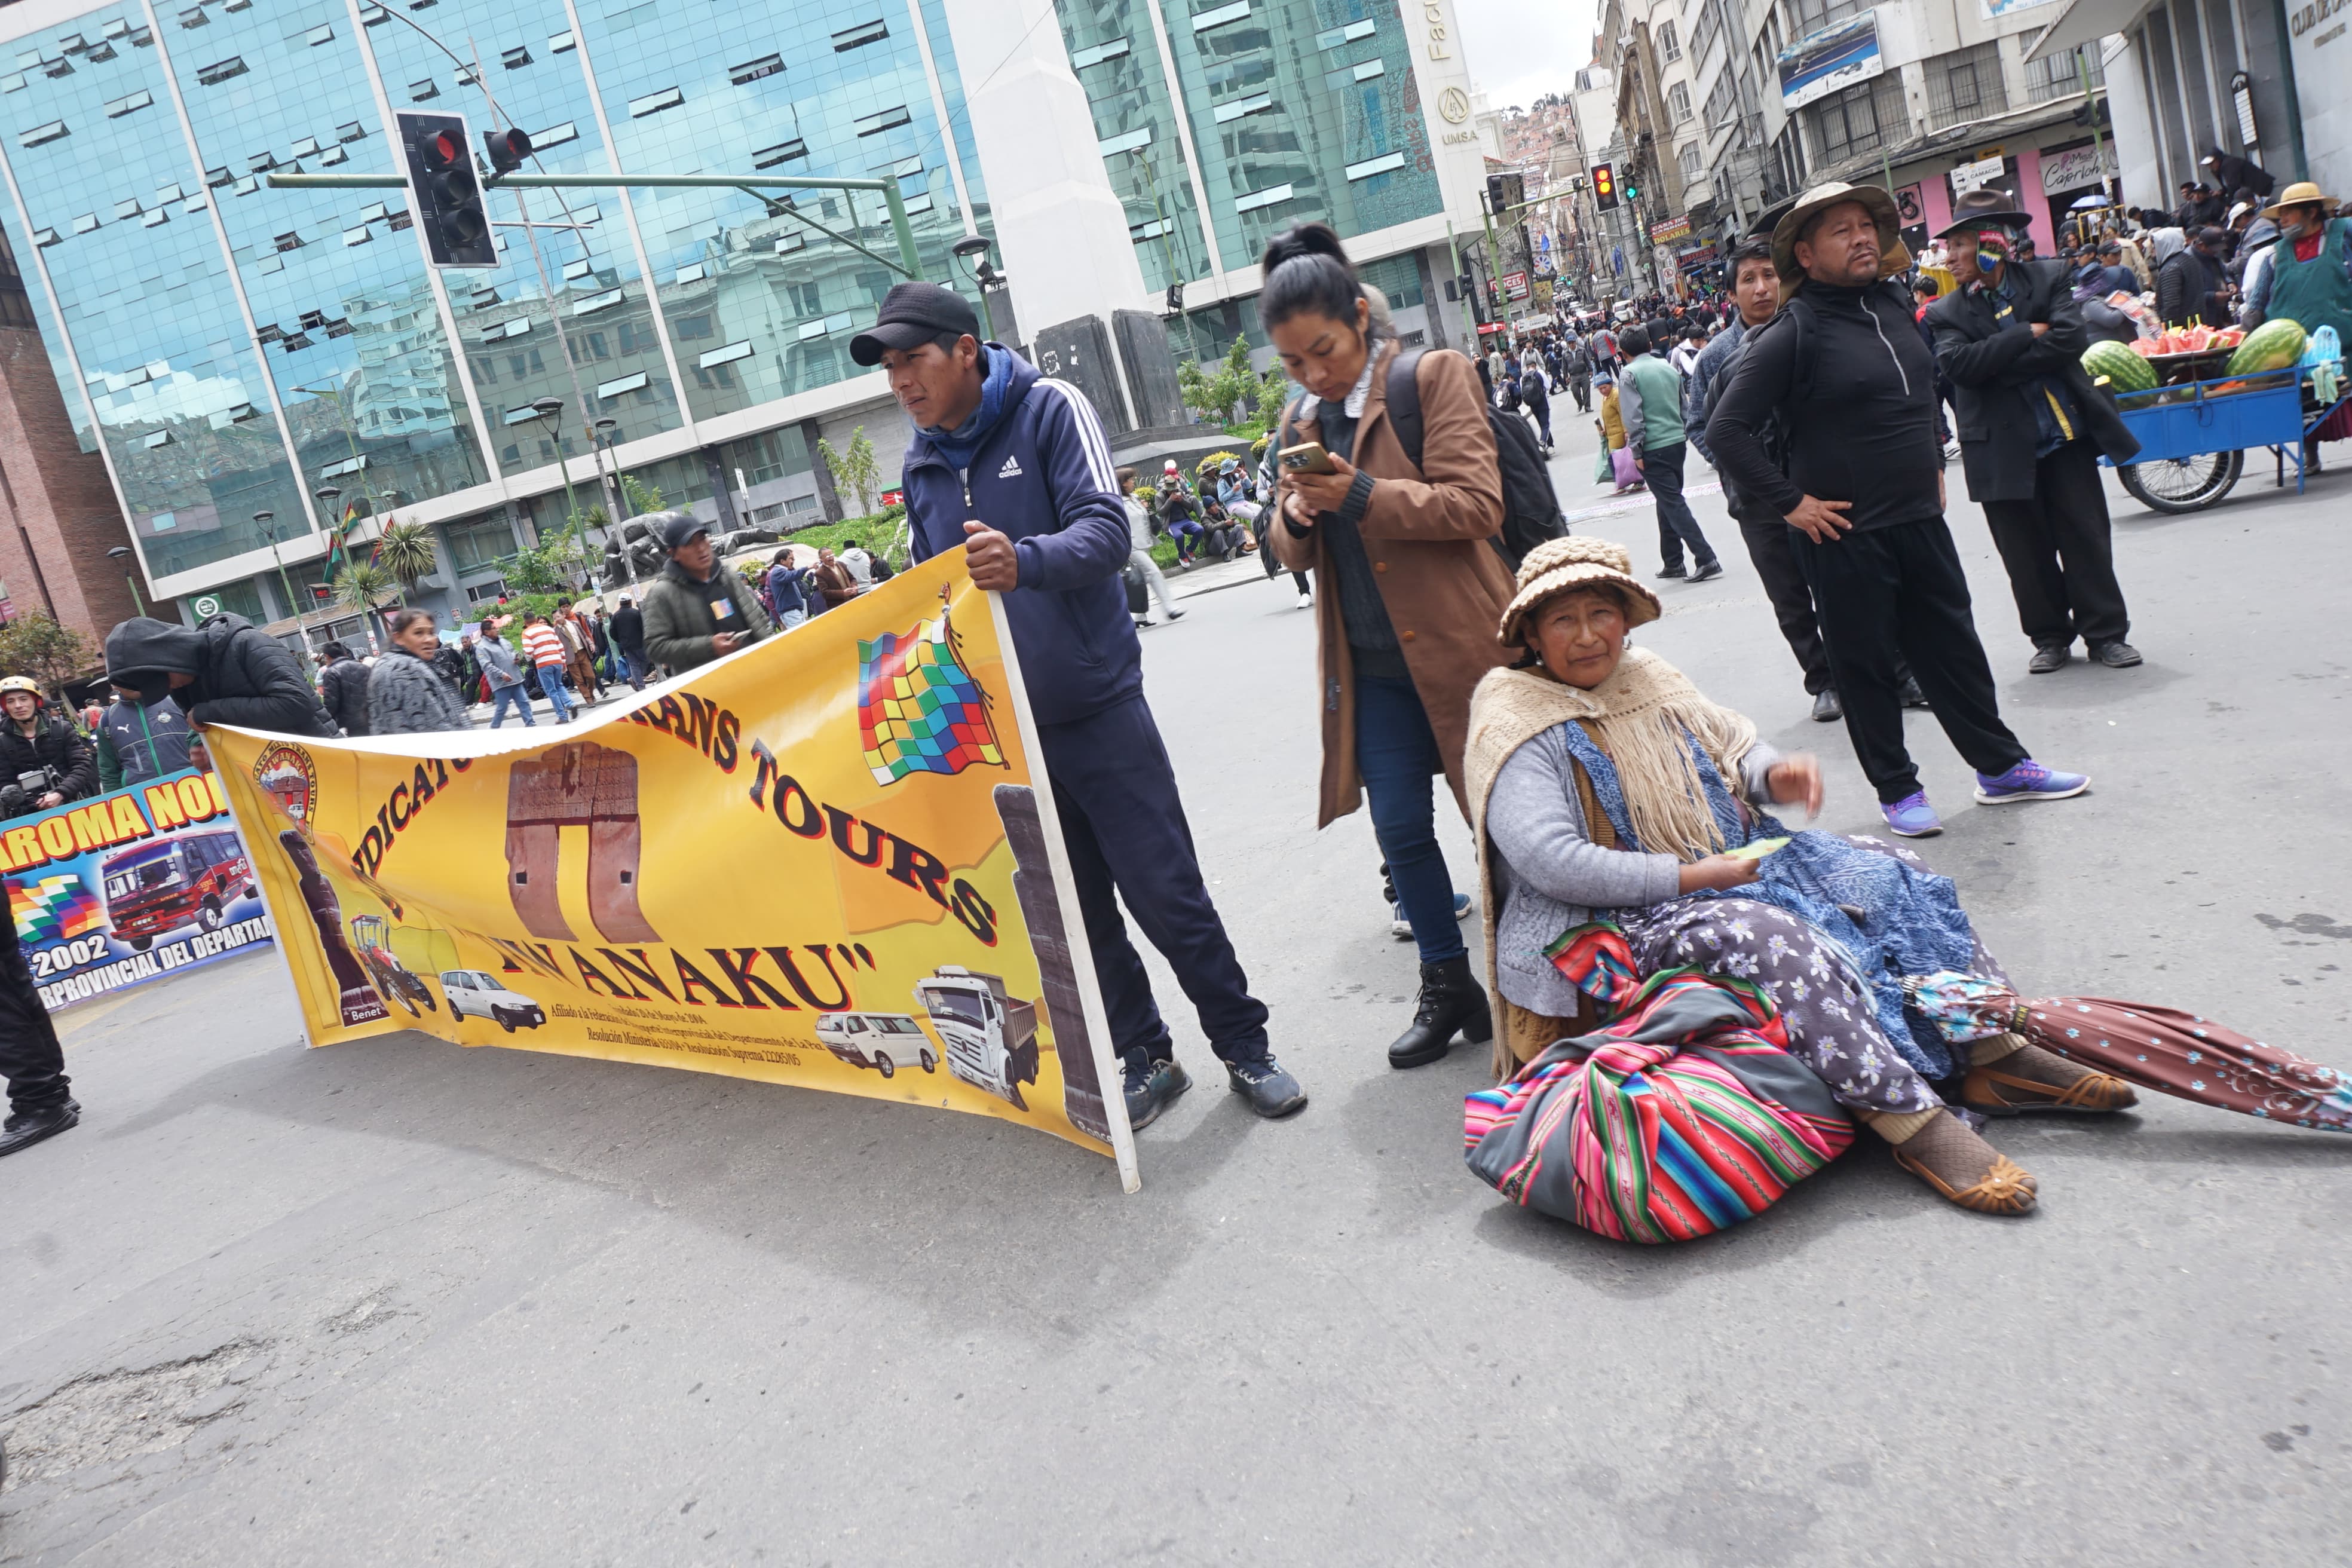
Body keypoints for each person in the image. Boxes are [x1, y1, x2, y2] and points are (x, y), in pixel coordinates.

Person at [1466, 537, 2136, 1215]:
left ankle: (1994, 1050)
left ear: (1627, 619)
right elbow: (1553, 861)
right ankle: (1910, 1120)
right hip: (1630, 909)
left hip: (1732, 858)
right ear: (1531, 635)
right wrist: (1692, 876)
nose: (1588, 636)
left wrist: (1771, 772)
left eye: (1602, 613)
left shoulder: (1650, 678)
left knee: (1890, 870)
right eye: (1564, 621)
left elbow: (1735, 746)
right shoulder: (1517, 717)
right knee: (1771, 935)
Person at [855, 277, 1306, 1124]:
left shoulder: (1050, 409)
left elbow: (1107, 531)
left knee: (1167, 894)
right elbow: (933, 595)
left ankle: (1246, 1046)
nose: (901, 382)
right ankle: (1146, 1057)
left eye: (912, 360)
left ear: (965, 351)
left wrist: (1024, 560)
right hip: (1007, 737)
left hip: (1098, 711)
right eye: (887, 368)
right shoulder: (919, 464)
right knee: (1077, 913)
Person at [1706, 182, 2091, 838]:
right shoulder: (1793, 331)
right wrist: (1792, 504)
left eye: (1866, 226)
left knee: (1955, 648)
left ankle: (2000, 766)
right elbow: (1725, 431)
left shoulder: (1891, 302)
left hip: (1917, 515)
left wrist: (1934, 465)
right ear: (1805, 251)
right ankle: (1898, 789)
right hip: (1844, 532)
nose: (1861, 238)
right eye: (1841, 230)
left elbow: (1921, 392)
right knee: (1864, 664)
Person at [1257, 222, 1514, 1071]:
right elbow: (1288, 547)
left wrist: (1359, 493)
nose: (1314, 375)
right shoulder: (1299, 418)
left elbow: (1477, 505)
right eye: (1294, 363)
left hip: (1468, 653)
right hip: (1371, 673)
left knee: (1508, 828)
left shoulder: (1429, 377)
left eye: (1323, 351)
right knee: (1402, 833)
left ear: (1361, 319)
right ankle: (1449, 985)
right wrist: (1295, 516)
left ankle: (1541, 980)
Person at [1928, 189, 2143, 675]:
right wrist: (2026, 334)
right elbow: (1959, 367)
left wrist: (1998, 360)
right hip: (2000, 448)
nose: (1950, 257)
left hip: (2062, 437)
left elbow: (2068, 341)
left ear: (1989, 246)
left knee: (2086, 539)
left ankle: (2106, 634)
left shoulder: (2049, 277)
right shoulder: (1947, 313)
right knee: (2024, 554)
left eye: (1960, 246)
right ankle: (2049, 637)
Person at [1687, 237, 1840, 723]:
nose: (1761, 288)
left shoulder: (1809, 330)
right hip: (1759, 503)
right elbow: (1698, 424)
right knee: (1790, 597)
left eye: (1769, 276)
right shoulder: (1716, 356)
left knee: (1845, 584)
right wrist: (1739, 469)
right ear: (1731, 294)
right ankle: (1823, 681)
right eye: (1749, 280)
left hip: (1818, 484)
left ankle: (1890, 671)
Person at [105, 613, 335, 739]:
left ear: (171, 657)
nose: (170, 688)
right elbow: (202, 723)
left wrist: (209, 712)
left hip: (321, 759)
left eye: (165, 681)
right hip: (270, 777)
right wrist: (198, 744)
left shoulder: (246, 643)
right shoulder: (184, 682)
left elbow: (295, 704)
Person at [1615, 324, 1722, 582]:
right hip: (1676, 442)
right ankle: (1673, 560)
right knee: (1667, 500)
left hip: (1652, 447)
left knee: (1673, 504)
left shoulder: (1629, 374)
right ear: (1650, 345)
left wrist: (1637, 449)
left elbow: (1634, 417)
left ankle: (1706, 558)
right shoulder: (1666, 367)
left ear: (1622, 352)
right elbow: (1684, 406)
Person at [640, 511, 776, 675]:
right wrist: (709, 646)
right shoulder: (662, 594)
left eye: (703, 539)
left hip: (758, 672)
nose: (701, 548)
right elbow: (656, 647)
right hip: (710, 688)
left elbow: (759, 620)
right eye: (690, 544)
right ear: (673, 554)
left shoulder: (727, 576)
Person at [369, 608, 472, 734]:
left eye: (431, 632)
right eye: (418, 633)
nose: (428, 639)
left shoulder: (398, 663)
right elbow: (434, 726)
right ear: (398, 638)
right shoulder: (405, 669)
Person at [0, 677, 94, 814]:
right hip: (32, 815)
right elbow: (5, 781)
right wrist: (32, 802)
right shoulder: (3, 742)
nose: (18, 705)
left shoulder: (62, 729)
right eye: (10, 701)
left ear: (35, 701)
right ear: (5, 707)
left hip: (75, 805)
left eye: (24, 699)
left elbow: (82, 765)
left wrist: (60, 793)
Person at [1114, 466, 1184, 626]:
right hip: (1131, 546)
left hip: (1143, 542)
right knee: (1153, 573)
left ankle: (1139, 617)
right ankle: (1170, 607)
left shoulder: (1135, 497)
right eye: (1131, 479)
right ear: (1123, 483)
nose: (1134, 482)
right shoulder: (1118, 502)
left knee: (1141, 579)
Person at [94, 679, 195, 789]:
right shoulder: (107, 720)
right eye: (122, 678)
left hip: (195, 787)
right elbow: (109, 772)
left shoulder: (179, 702)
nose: (131, 682)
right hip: (141, 797)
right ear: (113, 685)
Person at [2159, 226, 2233, 326]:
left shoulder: (2212, 254)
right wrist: (2213, 296)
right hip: (2202, 317)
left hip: (2219, 313)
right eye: (2214, 250)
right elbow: (2187, 295)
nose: (2216, 252)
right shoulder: (2187, 261)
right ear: (2201, 245)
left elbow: (2222, 270)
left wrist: (2229, 282)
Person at [476, 618, 535, 727]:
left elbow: (512, 652)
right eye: (494, 628)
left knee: (524, 703)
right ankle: (494, 727)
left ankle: (531, 725)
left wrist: (517, 658)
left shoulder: (503, 641)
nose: (497, 630)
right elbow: (487, 666)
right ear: (486, 632)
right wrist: (501, 674)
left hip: (515, 678)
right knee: (502, 708)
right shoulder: (482, 648)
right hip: (501, 683)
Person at [519, 613, 576, 723]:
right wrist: (563, 662)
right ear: (536, 620)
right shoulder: (548, 629)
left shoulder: (526, 633)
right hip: (557, 660)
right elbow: (560, 645)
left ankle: (562, 716)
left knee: (551, 691)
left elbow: (529, 651)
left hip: (544, 664)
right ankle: (570, 703)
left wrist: (534, 654)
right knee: (559, 685)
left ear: (525, 623)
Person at [317, 641, 370, 737]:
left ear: (327, 656)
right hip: (370, 719)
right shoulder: (364, 667)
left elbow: (331, 703)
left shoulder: (332, 673)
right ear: (345, 653)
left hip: (349, 725)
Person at [765, 549, 811, 630]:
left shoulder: (785, 571)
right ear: (782, 561)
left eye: (794, 559)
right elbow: (792, 575)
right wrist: (807, 568)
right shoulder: (777, 572)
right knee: (801, 636)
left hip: (793, 610)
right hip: (789, 611)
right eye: (791, 559)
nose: (793, 561)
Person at [608, 595, 648, 686]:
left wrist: (621, 640)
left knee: (633, 664)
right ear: (630, 601)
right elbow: (643, 627)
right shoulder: (636, 613)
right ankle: (635, 679)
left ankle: (639, 684)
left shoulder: (616, 616)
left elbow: (612, 632)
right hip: (639, 643)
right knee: (645, 661)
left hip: (626, 645)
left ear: (620, 603)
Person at [1516, 359, 1554, 451]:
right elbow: (1548, 386)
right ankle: (1543, 442)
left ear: (1527, 367)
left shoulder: (1522, 378)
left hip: (1532, 404)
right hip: (1543, 402)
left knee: (1542, 424)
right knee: (1546, 424)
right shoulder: (1539, 373)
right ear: (1535, 366)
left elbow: (1523, 392)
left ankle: (1551, 444)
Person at [1561, 335, 1593, 413]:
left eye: (1573, 343)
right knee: (1575, 391)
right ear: (1568, 344)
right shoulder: (1565, 354)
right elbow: (1564, 367)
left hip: (1583, 373)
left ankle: (1587, 406)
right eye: (1570, 343)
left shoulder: (1582, 350)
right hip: (1573, 376)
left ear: (1576, 343)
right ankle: (1580, 403)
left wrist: (1590, 370)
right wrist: (1566, 377)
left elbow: (1587, 361)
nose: (1572, 345)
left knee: (1587, 391)